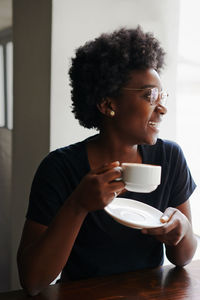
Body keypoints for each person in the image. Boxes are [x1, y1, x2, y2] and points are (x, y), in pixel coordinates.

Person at [17, 26, 197, 296]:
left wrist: (181, 231)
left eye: (162, 96)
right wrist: (78, 204)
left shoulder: (170, 157)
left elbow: (183, 257)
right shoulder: (59, 168)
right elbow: (32, 280)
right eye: (150, 96)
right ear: (107, 104)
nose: (162, 107)